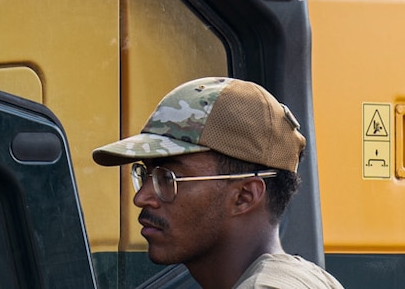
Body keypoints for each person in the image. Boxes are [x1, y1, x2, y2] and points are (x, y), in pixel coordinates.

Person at [93, 77, 342, 289]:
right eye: (144, 174)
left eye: (168, 179)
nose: (142, 198)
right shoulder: (309, 279)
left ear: (244, 196)